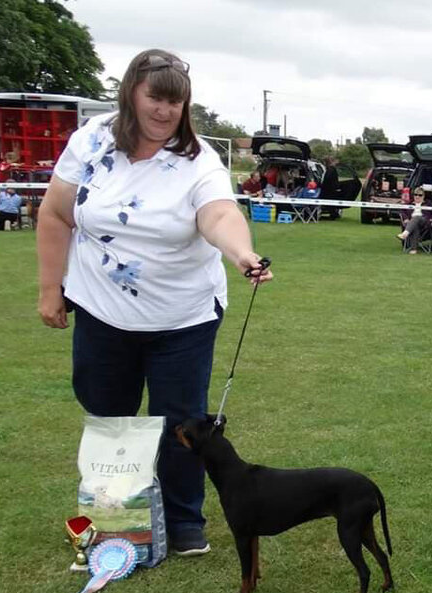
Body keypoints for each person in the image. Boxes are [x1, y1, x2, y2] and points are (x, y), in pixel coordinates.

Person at [35, 48, 272, 557]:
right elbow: (56, 214)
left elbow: (218, 214)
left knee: (180, 422)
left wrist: (242, 253)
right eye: (156, 98)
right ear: (130, 94)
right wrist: (50, 288)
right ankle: (116, 518)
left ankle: (184, 521)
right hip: (101, 312)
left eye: (177, 102)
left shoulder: (199, 159)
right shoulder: (92, 140)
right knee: (109, 413)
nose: (166, 111)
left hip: (182, 317)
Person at [397, 187, 432, 254]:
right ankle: (414, 249)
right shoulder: (408, 204)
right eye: (415, 194)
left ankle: (405, 234)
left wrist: (431, 219)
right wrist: (405, 219)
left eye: (420, 195)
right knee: (415, 226)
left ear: (423, 196)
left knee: (417, 217)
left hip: (424, 222)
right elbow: (401, 211)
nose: (417, 196)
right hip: (410, 223)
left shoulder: (429, 204)